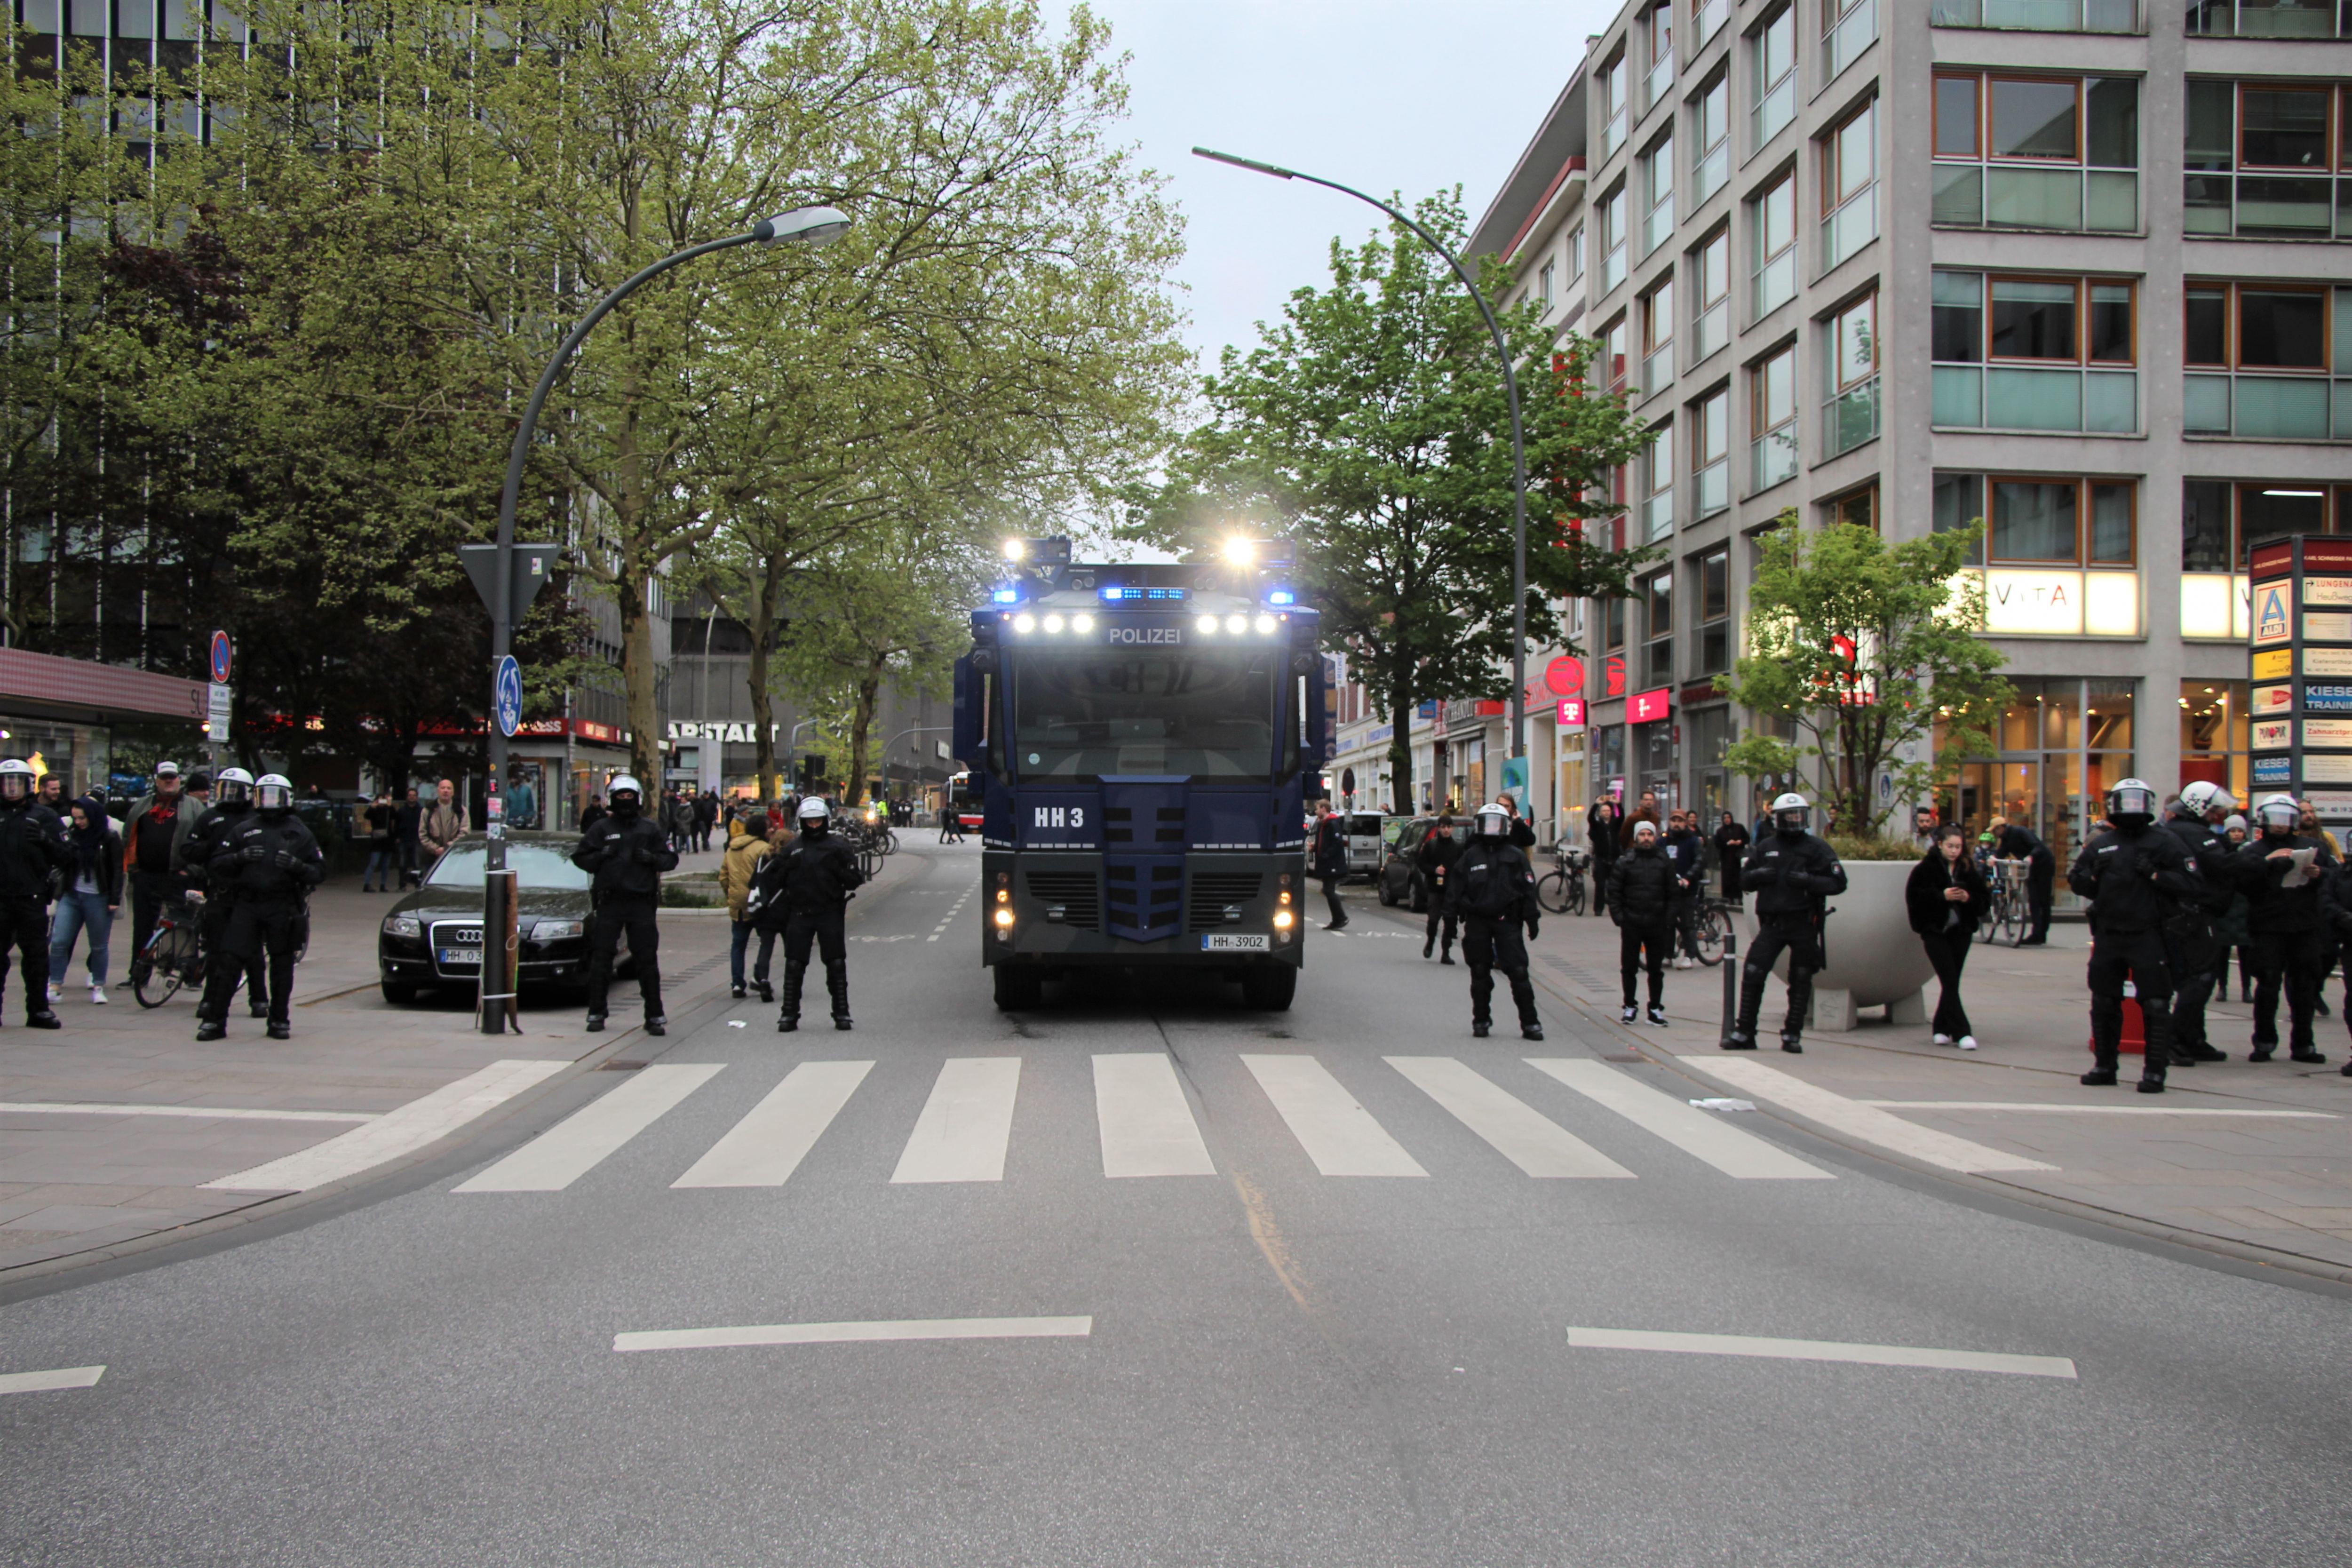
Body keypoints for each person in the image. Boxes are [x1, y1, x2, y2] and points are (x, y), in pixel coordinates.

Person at [2070, 779, 2200, 1092]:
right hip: (2109, 933)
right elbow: (2078, 880)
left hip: (2150, 933)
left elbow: (2192, 882)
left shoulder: (2164, 842)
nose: (2130, 807)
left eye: (2136, 800)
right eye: (2124, 801)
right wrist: (2094, 875)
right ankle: (2104, 1065)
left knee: (2156, 1003)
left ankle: (2155, 1070)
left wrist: (2157, 875)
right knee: (2103, 1000)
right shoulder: (2102, 843)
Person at [194, 774, 323, 1041]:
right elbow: (216, 864)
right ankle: (215, 1021)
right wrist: (238, 858)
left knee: (282, 965)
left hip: (283, 905)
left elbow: (320, 871)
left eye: (276, 796)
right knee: (228, 961)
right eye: (265, 795)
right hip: (247, 904)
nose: (270, 802)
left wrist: (297, 867)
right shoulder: (244, 828)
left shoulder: (299, 831)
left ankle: (279, 1020)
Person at [1732, 793, 1848, 1053]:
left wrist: (1809, 882)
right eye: (1790, 815)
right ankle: (1745, 1032)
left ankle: (1792, 1033)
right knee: (1753, 972)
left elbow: (1839, 883)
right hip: (1772, 924)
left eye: (1799, 815)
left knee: (1802, 977)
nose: (1795, 820)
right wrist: (1759, 874)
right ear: (1779, 819)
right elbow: (1744, 879)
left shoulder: (1817, 848)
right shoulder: (1765, 846)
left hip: (1803, 922)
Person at [2235, 793, 2336, 1065]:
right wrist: (2266, 865)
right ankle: (2264, 1042)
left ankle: (2304, 1043)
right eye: (2274, 820)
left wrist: (2319, 874)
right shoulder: (2253, 851)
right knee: (2267, 985)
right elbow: (2242, 883)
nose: (2279, 825)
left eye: (2285, 820)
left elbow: (2332, 876)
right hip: (2267, 926)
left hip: (2304, 925)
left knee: (2305, 986)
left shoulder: (2312, 845)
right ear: (2264, 820)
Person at [572, 774, 675, 1035]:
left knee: (647, 961)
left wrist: (652, 859)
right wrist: (599, 857)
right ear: (612, 800)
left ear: (638, 799)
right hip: (610, 903)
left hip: (641, 904)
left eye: (630, 797)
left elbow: (670, 859)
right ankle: (596, 1012)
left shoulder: (649, 829)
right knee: (602, 960)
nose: (626, 801)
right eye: (621, 797)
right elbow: (580, 858)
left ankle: (655, 1016)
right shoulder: (600, 829)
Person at [754, 796, 865, 1031]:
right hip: (800, 913)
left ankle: (842, 1012)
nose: (814, 826)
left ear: (825, 820)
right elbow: (771, 879)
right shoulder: (793, 848)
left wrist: (839, 872)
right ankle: (789, 1014)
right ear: (802, 823)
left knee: (836, 964)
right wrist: (786, 869)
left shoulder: (838, 846)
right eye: (809, 822)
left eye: (818, 821)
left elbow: (856, 879)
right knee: (794, 964)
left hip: (830, 911)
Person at [2163, 780, 2243, 1067]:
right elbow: (2223, 866)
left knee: (2194, 977)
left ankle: (2193, 1038)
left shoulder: (2180, 830)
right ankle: (2175, 1040)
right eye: (2213, 810)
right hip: (2193, 914)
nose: (2218, 815)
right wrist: (2262, 862)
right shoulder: (2195, 834)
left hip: (2185, 913)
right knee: (2200, 978)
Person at [1448, 804, 1543, 1041]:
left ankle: (1530, 1023)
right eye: (1487, 823)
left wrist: (1532, 919)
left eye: (1496, 823)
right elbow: (1455, 889)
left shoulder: (1515, 855)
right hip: (1478, 920)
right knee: (1480, 972)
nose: (1491, 828)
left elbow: (1528, 889)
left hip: (1508, 920)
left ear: (1504, 826)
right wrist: (1450, 920)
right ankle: (1481, 1019)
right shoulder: (1471, 855)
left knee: (1519, 972)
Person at [0, 760, 69, 1027]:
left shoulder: (44, 816)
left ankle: (39, 1010)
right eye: (6, 782)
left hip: (32, 897)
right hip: (1, 899)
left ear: (28, 784)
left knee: (36, 958)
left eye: (17, 782)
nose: (12, 788)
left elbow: (67, 854)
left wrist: (45, 840)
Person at [1907, 824, 1988, 1050]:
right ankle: (1962, 1032)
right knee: (1949, 979)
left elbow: (1984, 899)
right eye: (1950, 846)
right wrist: (1941, 896)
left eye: (1958, 847)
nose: (1954, 851)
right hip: (1935, 931)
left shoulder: (1968, 868)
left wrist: (1967, 898)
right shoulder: (1926, 869)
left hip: (1961, 931)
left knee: (1951, 981)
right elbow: (1915, 898)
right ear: (1940, 845)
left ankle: (1941, 1028)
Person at [121, 761, 196, 986]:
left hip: (178, 877)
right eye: (165, 777)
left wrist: (191, 869)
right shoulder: (142, 806)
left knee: (183, 927)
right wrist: (134, 869)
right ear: (157, 781)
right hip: (147, 876)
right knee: (142, 927)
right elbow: (128, 836)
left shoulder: (193, 807)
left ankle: (189, 975)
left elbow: (204, 840)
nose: (169, 781)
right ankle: (139, 975)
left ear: (179, 780)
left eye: (173, 777)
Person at [46, 795, 121, 1006]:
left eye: (82, 818)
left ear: (93, 816)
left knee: (98, 945)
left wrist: (114, 898)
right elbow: (63, 860)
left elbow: (117, 869)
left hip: (98, 897)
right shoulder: (71, 836)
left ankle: (98, 986)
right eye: (75, 818)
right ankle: (54, 986)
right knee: (60, 941)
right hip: (72, 895)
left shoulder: (108, 837)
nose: (77, 822)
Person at [1608, 818, 1677, 1027]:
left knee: (1656, 969)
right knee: (1629, 968)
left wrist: (1668, 919)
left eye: (1649, 835)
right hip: (1632, 923)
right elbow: (1614, 892)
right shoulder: (1625, 862)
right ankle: (1630, 1006)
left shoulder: (1664, 862)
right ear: (1636, 838)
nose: (1646, 838)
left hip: (1657, 923)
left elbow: (1673, 893)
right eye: (1642, 835)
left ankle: (1655, 1008)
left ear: (1654, 837)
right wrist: (1620, 917)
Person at [721, 812, 777, 1002]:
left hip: (737, 902)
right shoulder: (765, 849)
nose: (772, 830)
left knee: (738, 944)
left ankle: (737, 983)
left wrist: (731, 893)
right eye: (769, 827)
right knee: (766, 941)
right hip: (759, 902)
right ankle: (759, 977)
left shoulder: (732, 848)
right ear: (762, 830)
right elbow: (771, 876)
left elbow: (723, 876)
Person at [1988, 814, 2055, 945]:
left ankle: (2042, 933)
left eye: (1995, 830)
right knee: (2034, 900)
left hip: (2044, 864)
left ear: (2001, 828)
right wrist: (1993, 858)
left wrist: (2031, 856)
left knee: (2043, 900)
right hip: (2030, 868)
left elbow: (2037, 846)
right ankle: (2037, 934)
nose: (1995, 834)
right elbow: (2002, 851)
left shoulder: (2020, 831)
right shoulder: (2006, 839)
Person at [1414, 815, 1461, 964]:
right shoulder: (1431, 845)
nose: (1446, 830)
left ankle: (1446, 953)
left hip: (1451, 891)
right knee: (1433, 920)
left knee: (1449, 922)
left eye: (1449, 827)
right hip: (1435, 888)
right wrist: (1434, 870)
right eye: (1443, 827)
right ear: (1439, 828)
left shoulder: (1458, 848)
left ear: (1452, 829)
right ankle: (1430, 941)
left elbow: (1462, 869)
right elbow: (1421, 864)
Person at [1665, 810, 1705, 967]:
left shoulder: (1693, 841)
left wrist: (1688, 877)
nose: (1676, 824)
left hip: (1687, 889)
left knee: (1688, 923)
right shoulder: (1664, 841)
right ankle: (1667, 955)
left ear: (1685, 823)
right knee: (1668, 923)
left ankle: (1689, 955)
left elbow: (1699, 861)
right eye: (1674, 820)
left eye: (1680, 821)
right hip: (1669, 890)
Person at [1311, 802, 1349, 930]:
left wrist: (1326, 855)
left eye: (1317, 809)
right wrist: (1315, 848)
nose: (1316, 811)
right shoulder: (1324, 824)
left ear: (1323, 809)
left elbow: (1337, 842)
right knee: (1327, 890)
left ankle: (1341, 918)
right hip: (1327, 863)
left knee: (1328, 890)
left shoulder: (1332, 824)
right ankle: (1337, 919)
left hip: (1333, 864)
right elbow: (1324, 842)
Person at [1586, 797, 1621, 919]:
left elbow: (1622, 817)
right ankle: (1598, 908)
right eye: (1604, 811)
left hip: (1615, 858)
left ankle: (1615, 908)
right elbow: (1590, 818)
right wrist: (1596, 805)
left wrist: (1618, 805)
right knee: (1600, 885)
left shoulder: (1615, 824)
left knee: (1614, 886)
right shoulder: (1597, 825)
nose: (1606, 813)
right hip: (1601, 859)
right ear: (1601, 813)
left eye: (1608, 811)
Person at [418, 779, 464, 870]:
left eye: (449, 788)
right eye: (443, 788)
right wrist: (436, 849)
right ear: (438, 791)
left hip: (454, 857)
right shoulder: (428, 810)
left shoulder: (462, 811)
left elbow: (464, 834)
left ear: (453, 792)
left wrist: (448, 848)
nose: (446, 791)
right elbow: (423, 834)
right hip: (432, 858)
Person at [360, 791, 397, 892]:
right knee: (374, 863)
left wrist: (390, 806)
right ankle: (367, 884)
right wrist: (372, 807)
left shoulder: (388, 810)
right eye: (379, 799)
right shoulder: (374, 810)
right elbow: (366, 816)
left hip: (388, 839)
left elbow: (396, 817)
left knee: (386, 865)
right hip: (377, 840)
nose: (381, 802)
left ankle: (383, 885)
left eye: (383, 800)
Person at [1712, 812, 1748, 905]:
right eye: (1725, 818)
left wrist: (1740, 842)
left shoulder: (1739, 828)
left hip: (1738, 857)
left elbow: (1747, 838)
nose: (1727, 820)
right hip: (1727, 858)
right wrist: (1727, 844)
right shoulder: (1720, 831)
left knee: (1739, 878)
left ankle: (1740, 899)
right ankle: (1730, 898)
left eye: (1728, 817)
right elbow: (1717, 844)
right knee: (1728, 879)